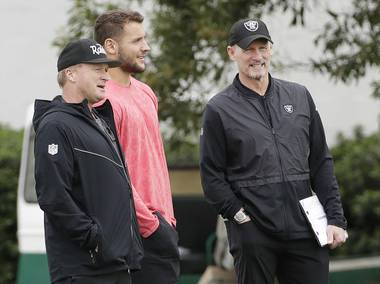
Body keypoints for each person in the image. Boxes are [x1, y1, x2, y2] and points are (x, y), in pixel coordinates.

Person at [199, 18, 348, 284]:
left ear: (270, 49)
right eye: (248, 49)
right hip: (254, 233)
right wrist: (240, 217)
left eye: (262, 47)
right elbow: (212, 178)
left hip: (304, 228)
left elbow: (321, 162)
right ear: (232, 52)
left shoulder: (299, 96)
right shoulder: (219, 109)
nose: (257, 56)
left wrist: (335, 218)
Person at [33, 38, 143, 284]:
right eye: (96, 69)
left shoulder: (100, 122)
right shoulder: (55, 125)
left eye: (106, 70)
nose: (106, 76)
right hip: (84, 269)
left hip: (115, 265)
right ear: (70, 74)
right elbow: (53, 196)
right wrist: (94, 238)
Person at [94, 10, 180, 284]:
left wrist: (167, 221)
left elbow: (154, 161)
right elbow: (109, 173)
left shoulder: (146, 93)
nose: (147, 47)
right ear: (111, 46)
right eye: (137, 41)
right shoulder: (102, 99)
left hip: (162, 227)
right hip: (136, 233)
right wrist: (150, 225)